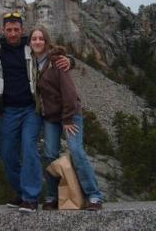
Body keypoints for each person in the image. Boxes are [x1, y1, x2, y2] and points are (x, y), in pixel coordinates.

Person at [0, 13, 71, 213]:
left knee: (29, 149)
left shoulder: (30, 46)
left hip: (31, 109)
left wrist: (70, 60)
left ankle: (31, 198)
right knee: (7, 153)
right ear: (4, 31)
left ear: (22, 30)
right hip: (8, 110)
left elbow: (53, 52)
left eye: (17, 30)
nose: (13, 33)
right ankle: (20, 192)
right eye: (9, 30)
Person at [28, 27, 104, 211]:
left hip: (70, 115)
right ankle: (52, 197)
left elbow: (69, 92)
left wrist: (68, 119)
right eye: (34, 39)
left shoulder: (57, 62)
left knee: (77, 151)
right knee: (50, 155)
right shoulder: (31, 63)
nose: (37, 42)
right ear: (30, 42)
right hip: (50, 117)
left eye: (41, 39)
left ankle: (94, 196)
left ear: (46, 42)